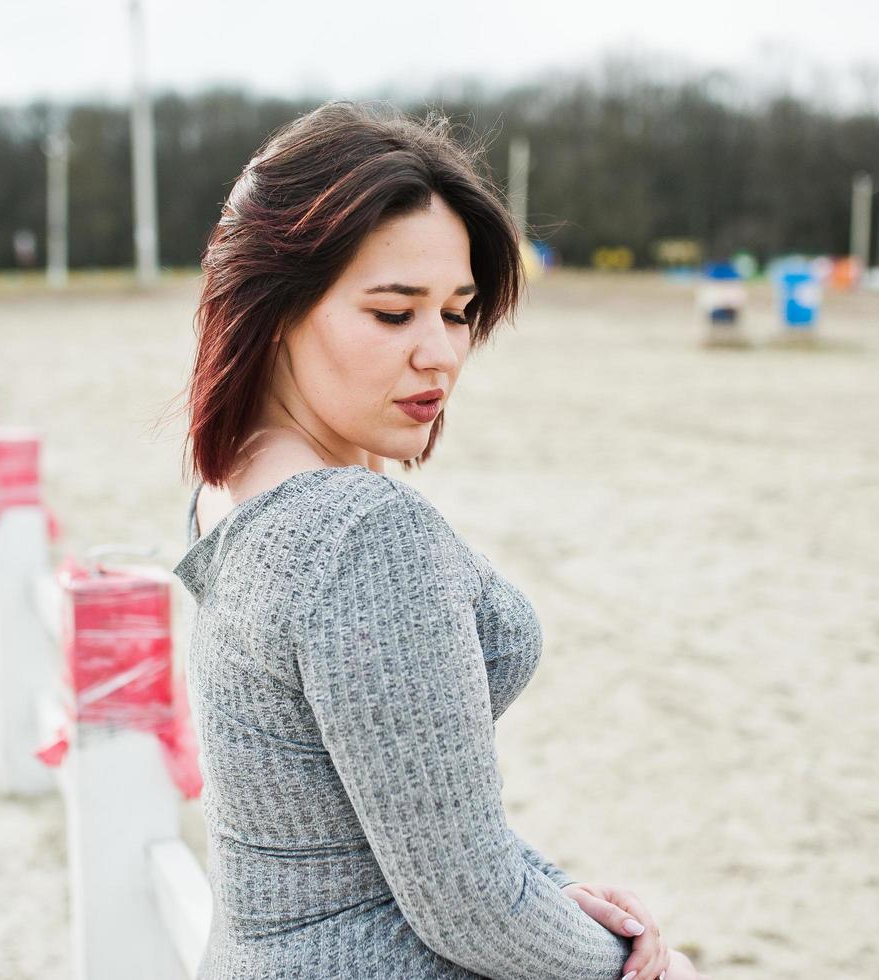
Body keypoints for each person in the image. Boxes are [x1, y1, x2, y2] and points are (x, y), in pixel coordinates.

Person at [173, 100, 707, 980]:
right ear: (270, 307)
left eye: (457, 312)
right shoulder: (356, 535)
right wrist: (646, 969)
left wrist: (559, 893)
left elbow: (366, 821)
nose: (441, 356)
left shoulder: (229, 487)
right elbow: (469, 907)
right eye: (392, 314)